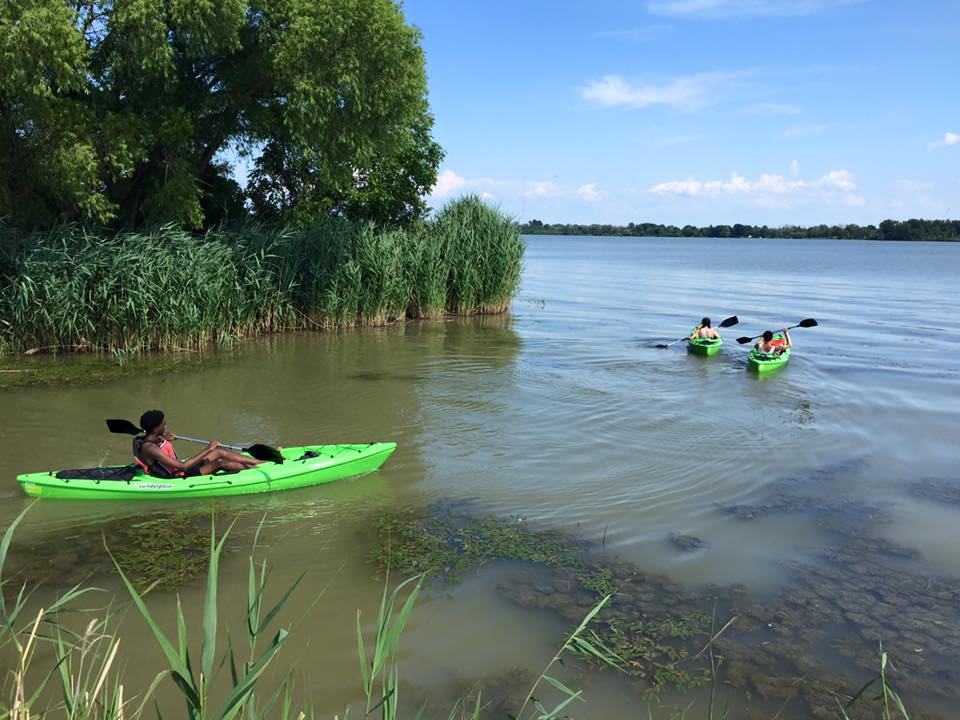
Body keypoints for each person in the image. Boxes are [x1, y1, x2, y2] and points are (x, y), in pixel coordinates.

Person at [133, 409, 264, 478]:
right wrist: (208, 449)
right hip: (179, 475)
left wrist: (165, 438)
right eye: (163, 424)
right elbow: (183, 466)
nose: (166, 425)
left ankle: (261, 463)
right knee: (219, 462)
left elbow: (158, 441)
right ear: (155, 428)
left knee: (218, 451)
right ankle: (255, 473)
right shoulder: (150, 448)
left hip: (182, 469)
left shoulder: (154, 437)